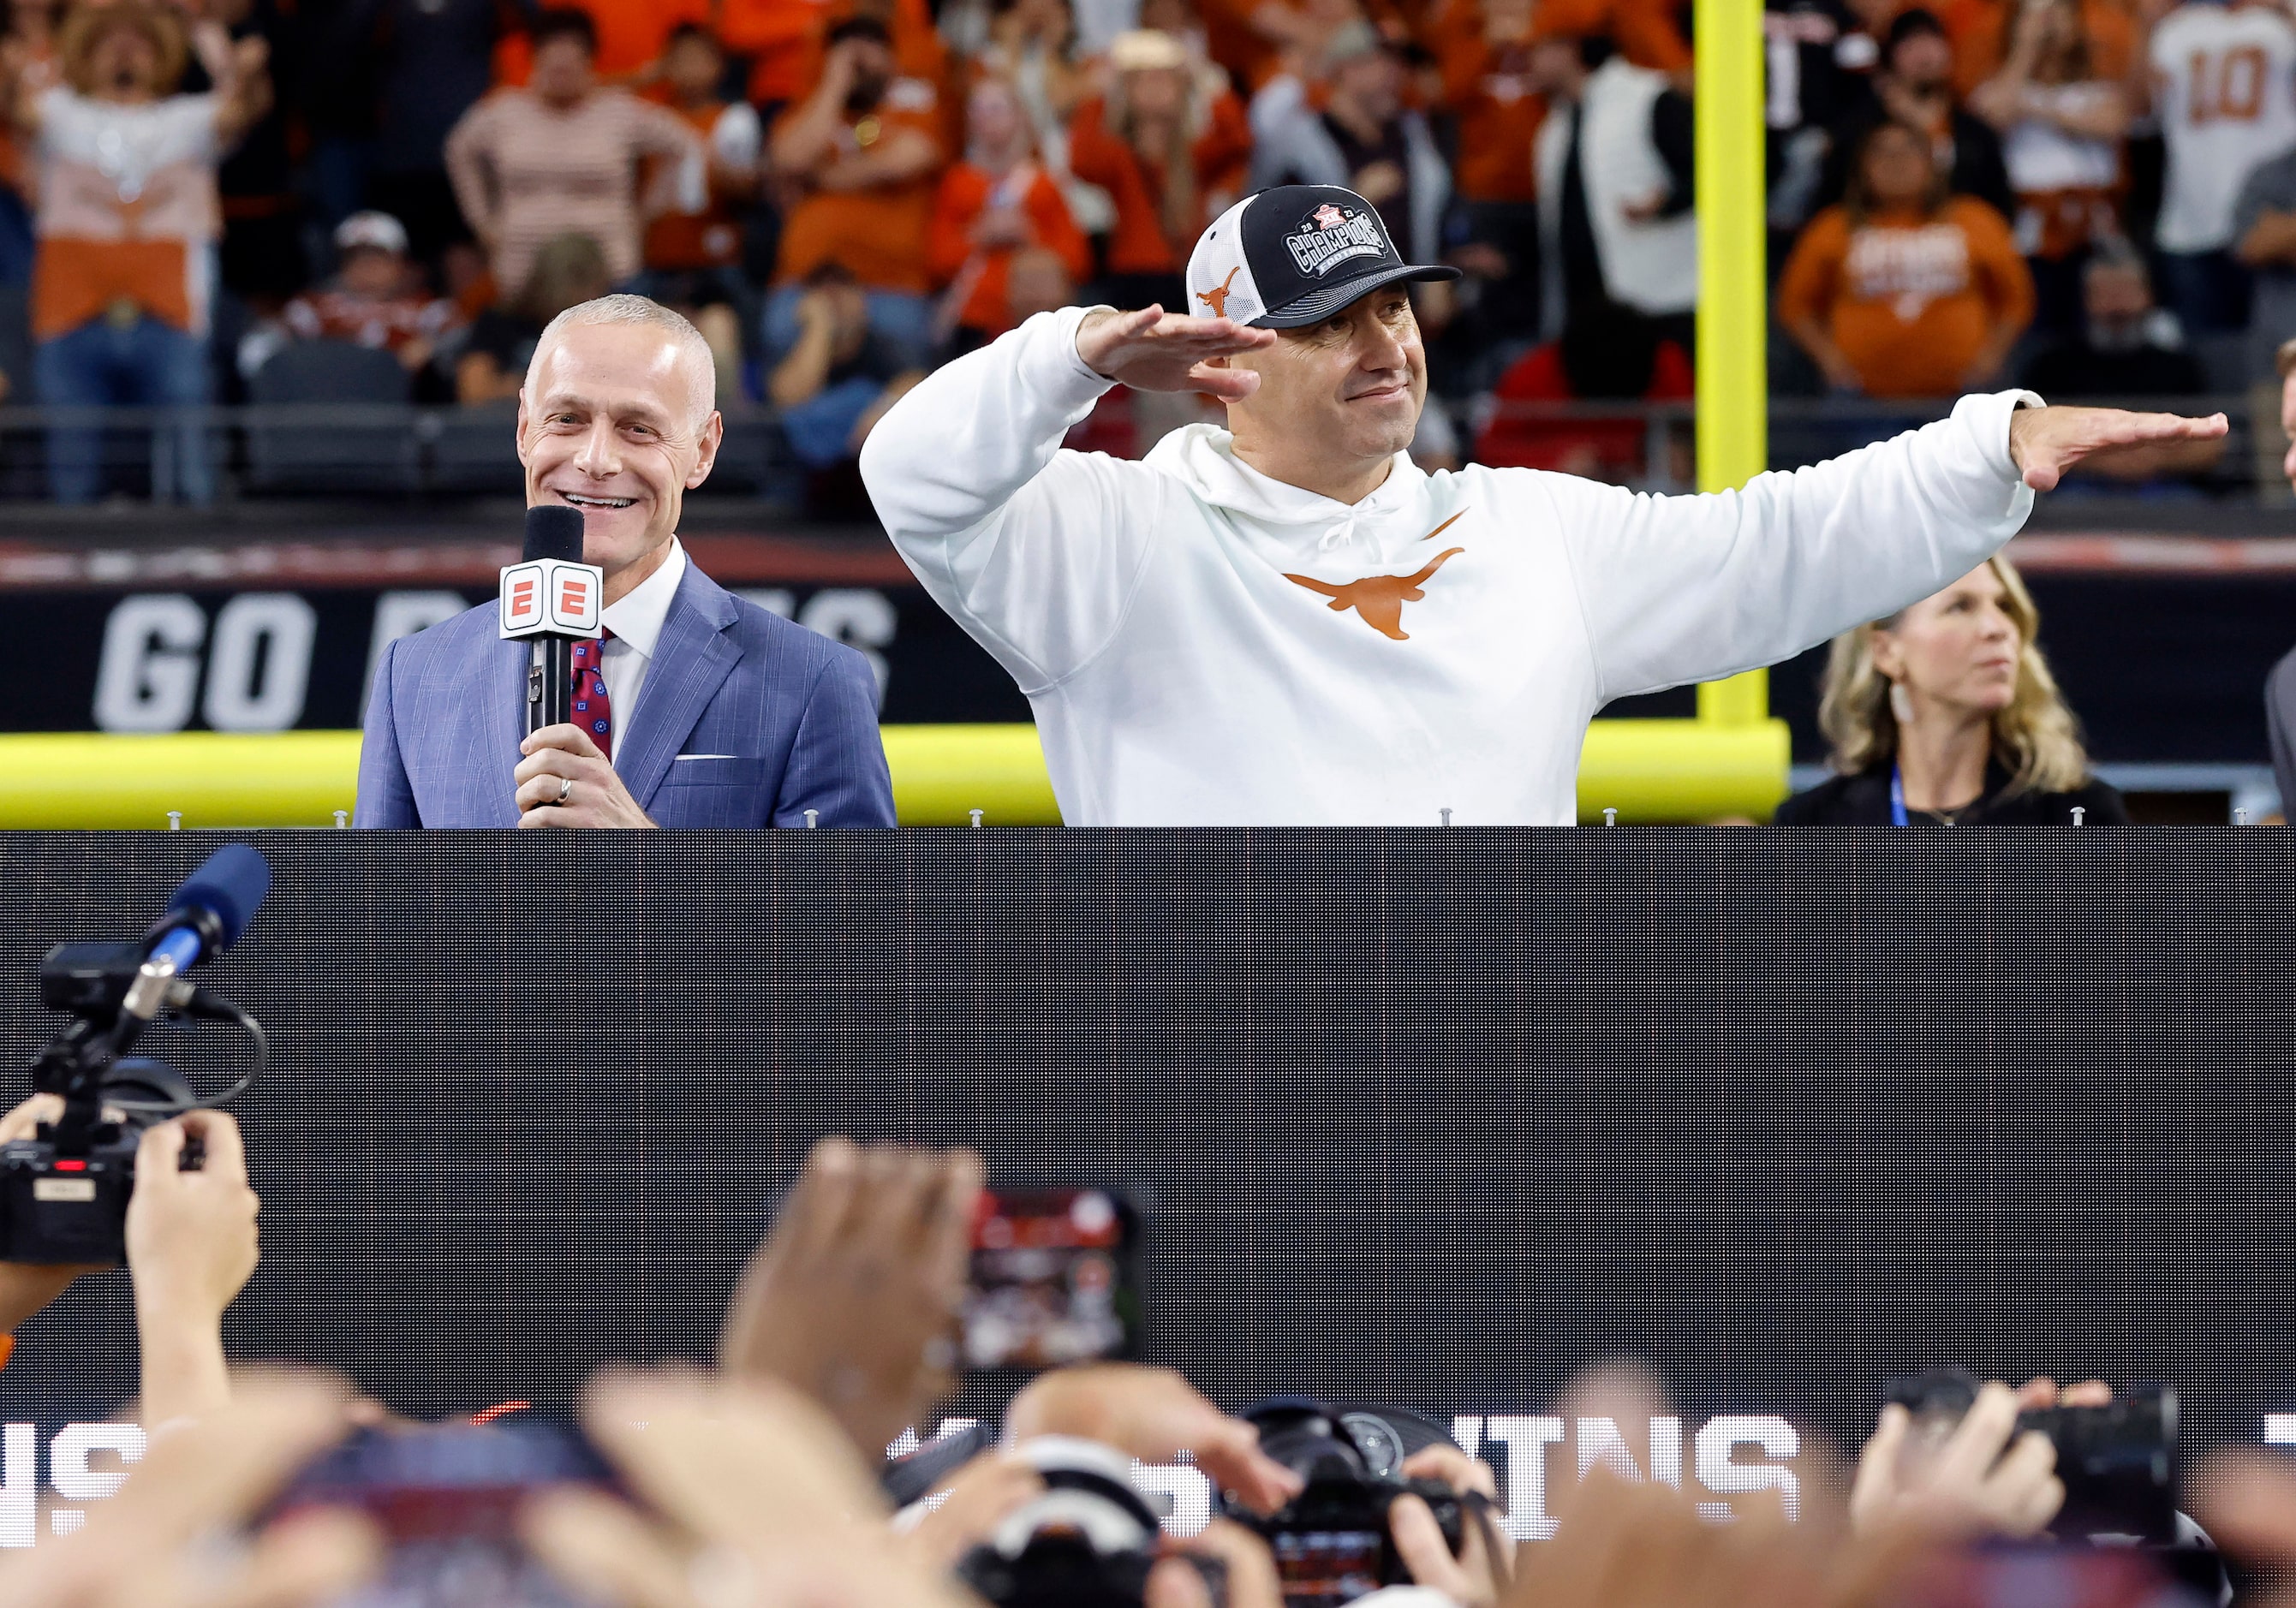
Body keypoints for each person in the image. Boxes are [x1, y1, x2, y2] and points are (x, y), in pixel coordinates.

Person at [858, 181, 2220, 826]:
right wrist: (1071, 351)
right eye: (1336, 322)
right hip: (1205, 1094)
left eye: (1395, 305)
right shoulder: (1105, 543)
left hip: (1495, 1100)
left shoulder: (1524, 529)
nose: (1387, 344)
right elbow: (909, 476)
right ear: (1220, 361)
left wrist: (1995, 442)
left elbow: (1777, 541)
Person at [357, 294, 897, 830]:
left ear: (703, 450)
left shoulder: (815, 682)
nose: (595, 460)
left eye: (638, 428)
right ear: (524, 429)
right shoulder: (414, 675)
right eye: (567, 419)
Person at [11, 1, 270, 504]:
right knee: (72, 464)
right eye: (109, 42)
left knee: (192, 460)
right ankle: (72, 572)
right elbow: (16, 108)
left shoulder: (188, 119)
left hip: (169, 308)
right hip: (72, 309)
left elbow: (245, 109)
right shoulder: (62, 114)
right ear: (87, 55)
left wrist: (244, 70)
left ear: (162, 56)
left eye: (138, 42)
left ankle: (201, 559)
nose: (125, 51)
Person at [1774, 554, 2130, 825]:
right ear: (1886, 652)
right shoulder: (1812, 824)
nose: (1999, 628)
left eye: (2003, 606)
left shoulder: (2080, 814)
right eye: (1960, 606)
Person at [443, 9, 703, 297]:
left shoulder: (619, 111)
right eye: (553, 68)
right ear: (535, 62)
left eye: (570, 67)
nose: (561, 76)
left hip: (608, 265)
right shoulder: (504, 111)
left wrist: (648, 212)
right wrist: (482, 221)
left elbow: (683, 144)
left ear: (589, 64)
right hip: (523, 267)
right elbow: (459, 150)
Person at [1778, 120, 2034, 398]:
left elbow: (2016, 300)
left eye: (1909, 151)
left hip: (1963, 397)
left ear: (1932, 165)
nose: (1896, 162)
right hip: (1859, 397)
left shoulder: (1976, 220)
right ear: (1862, 167)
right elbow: (1796, 306)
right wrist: (1830, 360)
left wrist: (1991, 357)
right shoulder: (1833, 227)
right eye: (1882, 153)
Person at [765, 15, 946, 371]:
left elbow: (906, 159)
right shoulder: (808, 112)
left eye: (872, 47)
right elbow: (790, 157)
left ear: (893, 59)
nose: (859, 57)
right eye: (846, 49)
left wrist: (823, 177)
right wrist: (835, 82)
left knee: (906, 350)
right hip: (807, 288)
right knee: (779, 330)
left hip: (892, 289)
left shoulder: (913, 107)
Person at [1965, 0, 2127, 330]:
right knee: (2035, 333)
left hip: (2091, 231)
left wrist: (2037, 110)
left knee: (2093, 334)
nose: (2049, 24)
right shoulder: (1997, 88)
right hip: (2029, 234)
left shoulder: (2098, 89)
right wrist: (2026, 46)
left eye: (2059, 14)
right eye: (2038, 16)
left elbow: (2110, 124)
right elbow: (1991, 118)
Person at [1528, 33, 1695, 350]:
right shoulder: (1555, 127)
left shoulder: (1649, 97)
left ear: (1570, 48)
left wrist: (1665, 203)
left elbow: (1709, 174)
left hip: (1666, 303)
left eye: (1538, 48)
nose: (1529, 62)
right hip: (1587, 307)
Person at [1066, 27, 1252, 310]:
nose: (1154, 86)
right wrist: (1100, 92)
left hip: (1189, 271)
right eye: (1142, 79)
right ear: (1127, 91)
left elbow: (1238, 139)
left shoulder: (1194, 155)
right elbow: (1082, 160)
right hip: (1134, 273)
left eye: (1164, 79)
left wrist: (1206, 79)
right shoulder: (1120, 156)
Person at [2144, 0, 2296, 339]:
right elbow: (2138, 110)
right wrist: (2144, 24)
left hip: (2274, 211)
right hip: (2192, 219)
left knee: (2277, 353)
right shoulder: (2178, 27)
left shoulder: (2279, 21)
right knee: (2206, 359)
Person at [1250, 22, 1451, 277]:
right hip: (1334, 299)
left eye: (1399, 65)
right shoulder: (1298, 145)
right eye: (1383, 63)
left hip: (1410, 294)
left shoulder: (1412, 133)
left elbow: (1439, 214)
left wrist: (1437, 266)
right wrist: (1352, 202)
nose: (1396, 75)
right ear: (1345, 70)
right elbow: (1275, 237)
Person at [927, 77, 1092, 351]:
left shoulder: (1043, 184)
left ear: (1019, 116)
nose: (987, 119)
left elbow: (1077, 260)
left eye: (996, 109)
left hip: (1034, 312)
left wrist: (1028, 235)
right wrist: (979, 236)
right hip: (974, 315)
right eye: (978, 110)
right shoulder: (957, 182)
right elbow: (937, 259)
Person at [1819, 8, 2017, 223]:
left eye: (1932, 42)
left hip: (1962, 244)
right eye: (1910, 46)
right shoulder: (1859, 132)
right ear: (1890, 57)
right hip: (1882, 243)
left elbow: (2000, 210)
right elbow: (1833, 207)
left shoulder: (1976, 135)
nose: (1924, 55)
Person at [770, 261, 928, 468]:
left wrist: (882, 408)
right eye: (824, 295)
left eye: (843, 291)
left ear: (862, 301)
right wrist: (819, 328)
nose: (835, 301)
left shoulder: (882, 343)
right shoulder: (794, 343)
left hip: (870, 461)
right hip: (808, 472)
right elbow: (789, 398)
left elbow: (917, 382)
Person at [280, 211, 462, 381]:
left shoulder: (426, 308)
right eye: (355, 258)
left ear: (400, 262)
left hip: (402, 405)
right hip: (331, 400)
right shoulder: (315, 307)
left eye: (377, 257)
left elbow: (462, 338)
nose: (367, 268)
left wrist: (431, 346)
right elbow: (264, 348)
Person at [456, 229, 614, 403]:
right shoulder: (499, 322)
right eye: (576, 281)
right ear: (542, 279)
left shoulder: (606, 330)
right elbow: (474, 392)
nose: (583, 294)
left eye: (593, 285)